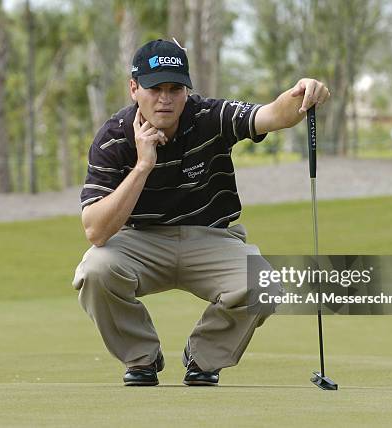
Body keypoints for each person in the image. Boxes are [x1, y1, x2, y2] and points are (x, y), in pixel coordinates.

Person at [72, 39, 330, 386]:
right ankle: (142, 358)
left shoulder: (209, 116)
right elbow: (96, 232)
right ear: (134, 88)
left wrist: (302, 94)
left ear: (186, 89)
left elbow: (271, 115)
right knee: (95, 270)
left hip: (211, 237)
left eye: (175, 88)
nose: (165, 98)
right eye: (155, 88)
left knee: (264, 284)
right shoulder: (113, 137)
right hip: (140, 242)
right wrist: (143, 165)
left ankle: (202, 358)